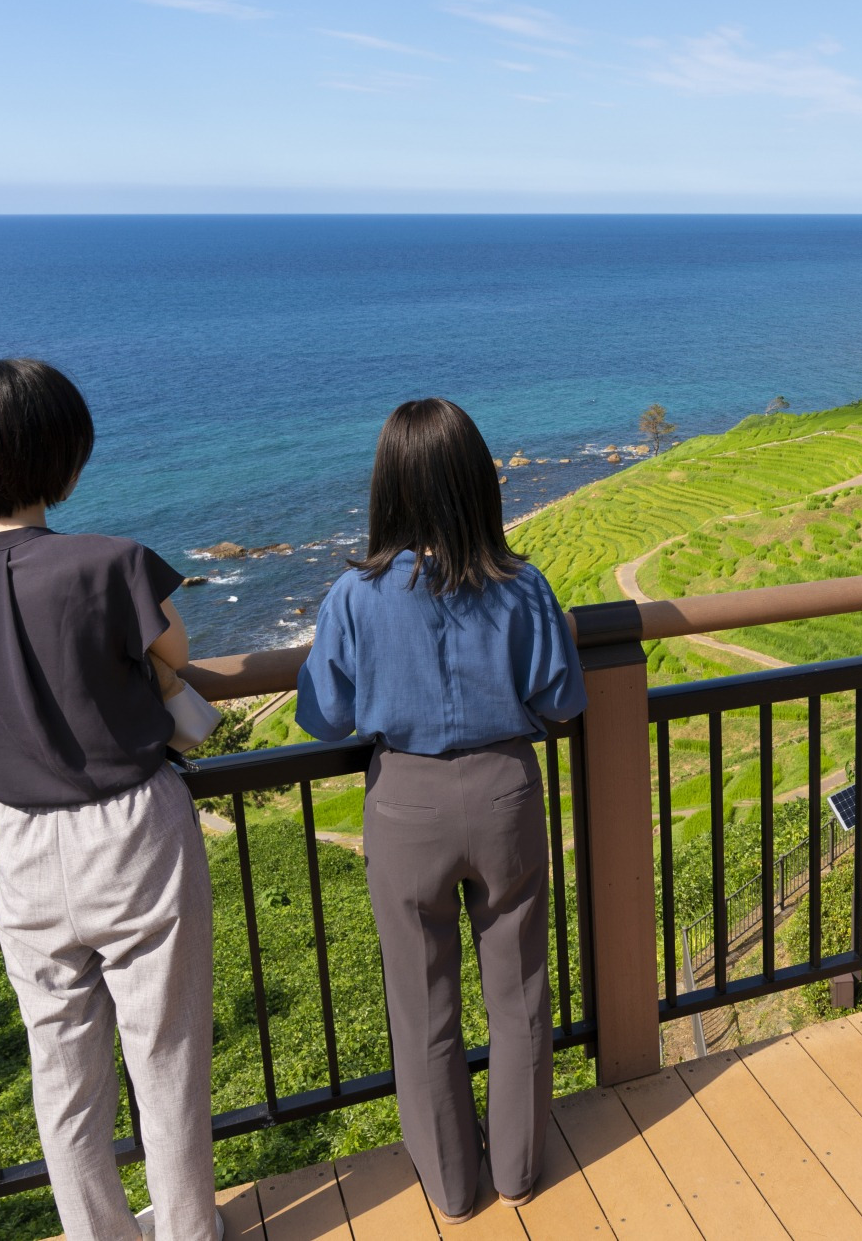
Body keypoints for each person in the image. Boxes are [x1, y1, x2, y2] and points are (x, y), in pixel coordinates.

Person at [0, 360, 220, 1241]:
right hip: (132, 831)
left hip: (21, 839)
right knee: (165, 1058)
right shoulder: (109, 563)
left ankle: (97, 1233)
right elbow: (175, 645)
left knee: (62, 1071)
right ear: (65, 460)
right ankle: (191, 1231)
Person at [297, 399, 586, 1222]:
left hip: (406, 802)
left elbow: (324, 715)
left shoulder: (353, 596)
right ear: (479, 483)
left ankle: (452, 1189)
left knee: (423, 1003)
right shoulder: (523, 586)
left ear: (387, 487)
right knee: (520, 991)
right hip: (505, 793)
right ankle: (520, 1172)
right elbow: (562, 697)